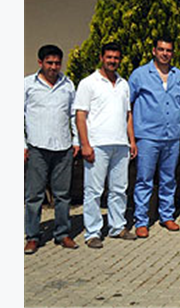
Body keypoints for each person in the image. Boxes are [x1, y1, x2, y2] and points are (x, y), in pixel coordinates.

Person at [75, 42, 138, 248]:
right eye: (109, 57)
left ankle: (117, 227)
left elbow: (128, 114)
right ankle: (92, 232)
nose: (113, 61)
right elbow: (80, 115)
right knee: (93, 191)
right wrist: (85, 144)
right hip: (97, 145)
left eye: (116, 57)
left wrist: (131, 141)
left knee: (119, 189)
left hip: (120, 145)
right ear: (102, 57)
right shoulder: (88, 83)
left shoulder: (123, 84)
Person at [24, 44, 80, 254]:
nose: (54, 67)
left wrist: (76, 141)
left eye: (57, 63)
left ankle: (62, 234)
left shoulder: (68, 85)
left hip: (63, 148)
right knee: (34, 196)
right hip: (37, 148)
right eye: (49, 63)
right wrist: (22, 145)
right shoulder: (27, 85)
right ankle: (32, 236)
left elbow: (74, 114)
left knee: (63, 195)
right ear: (40, 62)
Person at [129, 37, 180, 238]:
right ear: (154, 51)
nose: (165, 53)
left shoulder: (179, 75)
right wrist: (132, 138)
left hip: (172, 136)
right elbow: (128, 105)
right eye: (161, 49)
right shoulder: (140, 75)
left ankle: (166, 216)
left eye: (168, 50)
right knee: (144, 180)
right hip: (148, 136)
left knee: (168, 179)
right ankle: (141, 220)